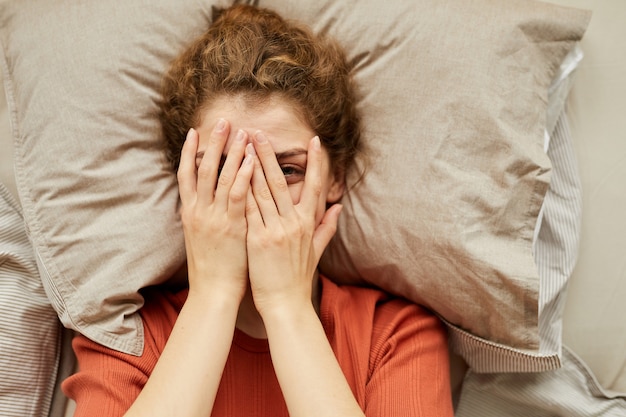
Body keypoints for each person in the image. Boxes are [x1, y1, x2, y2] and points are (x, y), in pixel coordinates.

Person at [62, 4, 454, 417]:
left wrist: (287, 304)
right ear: (186, 183)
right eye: (222, 170)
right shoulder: (128, 335)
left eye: (286, 169)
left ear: (335, 177)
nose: (249, 199)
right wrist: (213, 294)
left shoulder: (394, 335)